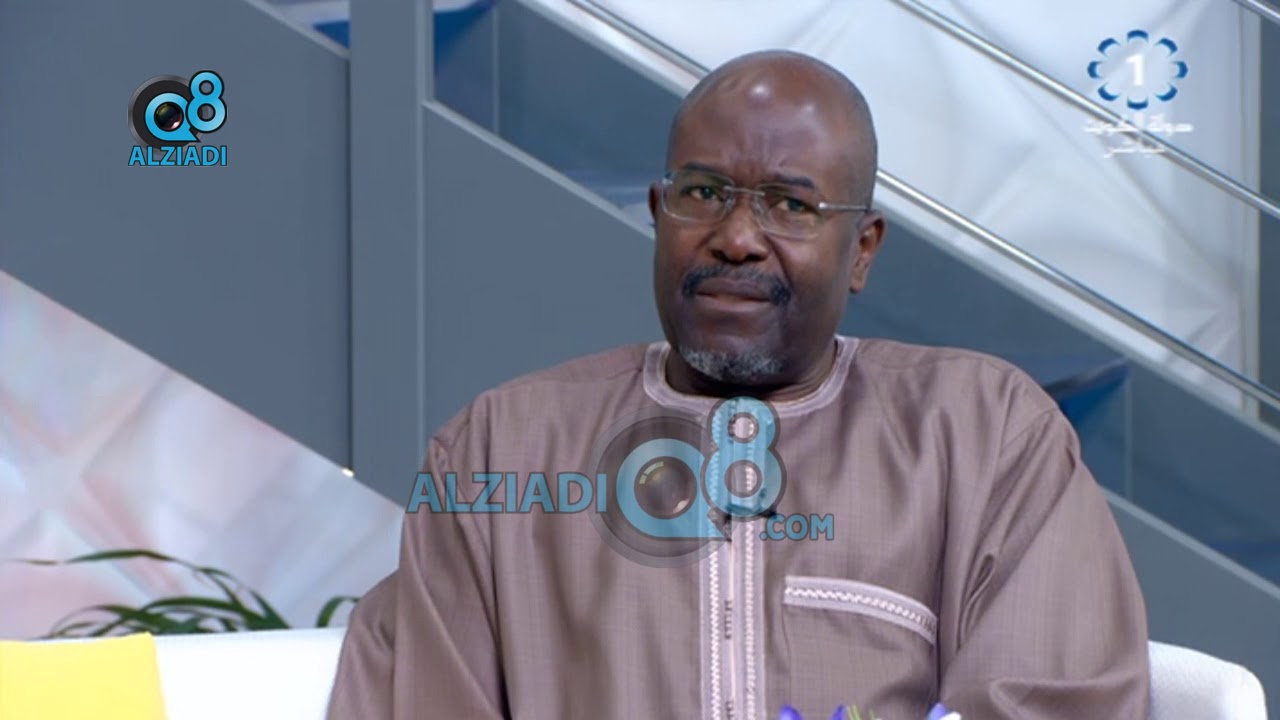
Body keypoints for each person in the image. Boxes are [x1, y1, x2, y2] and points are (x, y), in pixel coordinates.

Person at [326, 50, 1151, 719]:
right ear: (659, 213)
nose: (737, 237)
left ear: (862, 249)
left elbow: (1054, 698)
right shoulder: (499, 450)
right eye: (705, 194)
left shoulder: (986, 434)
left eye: (790, 205)